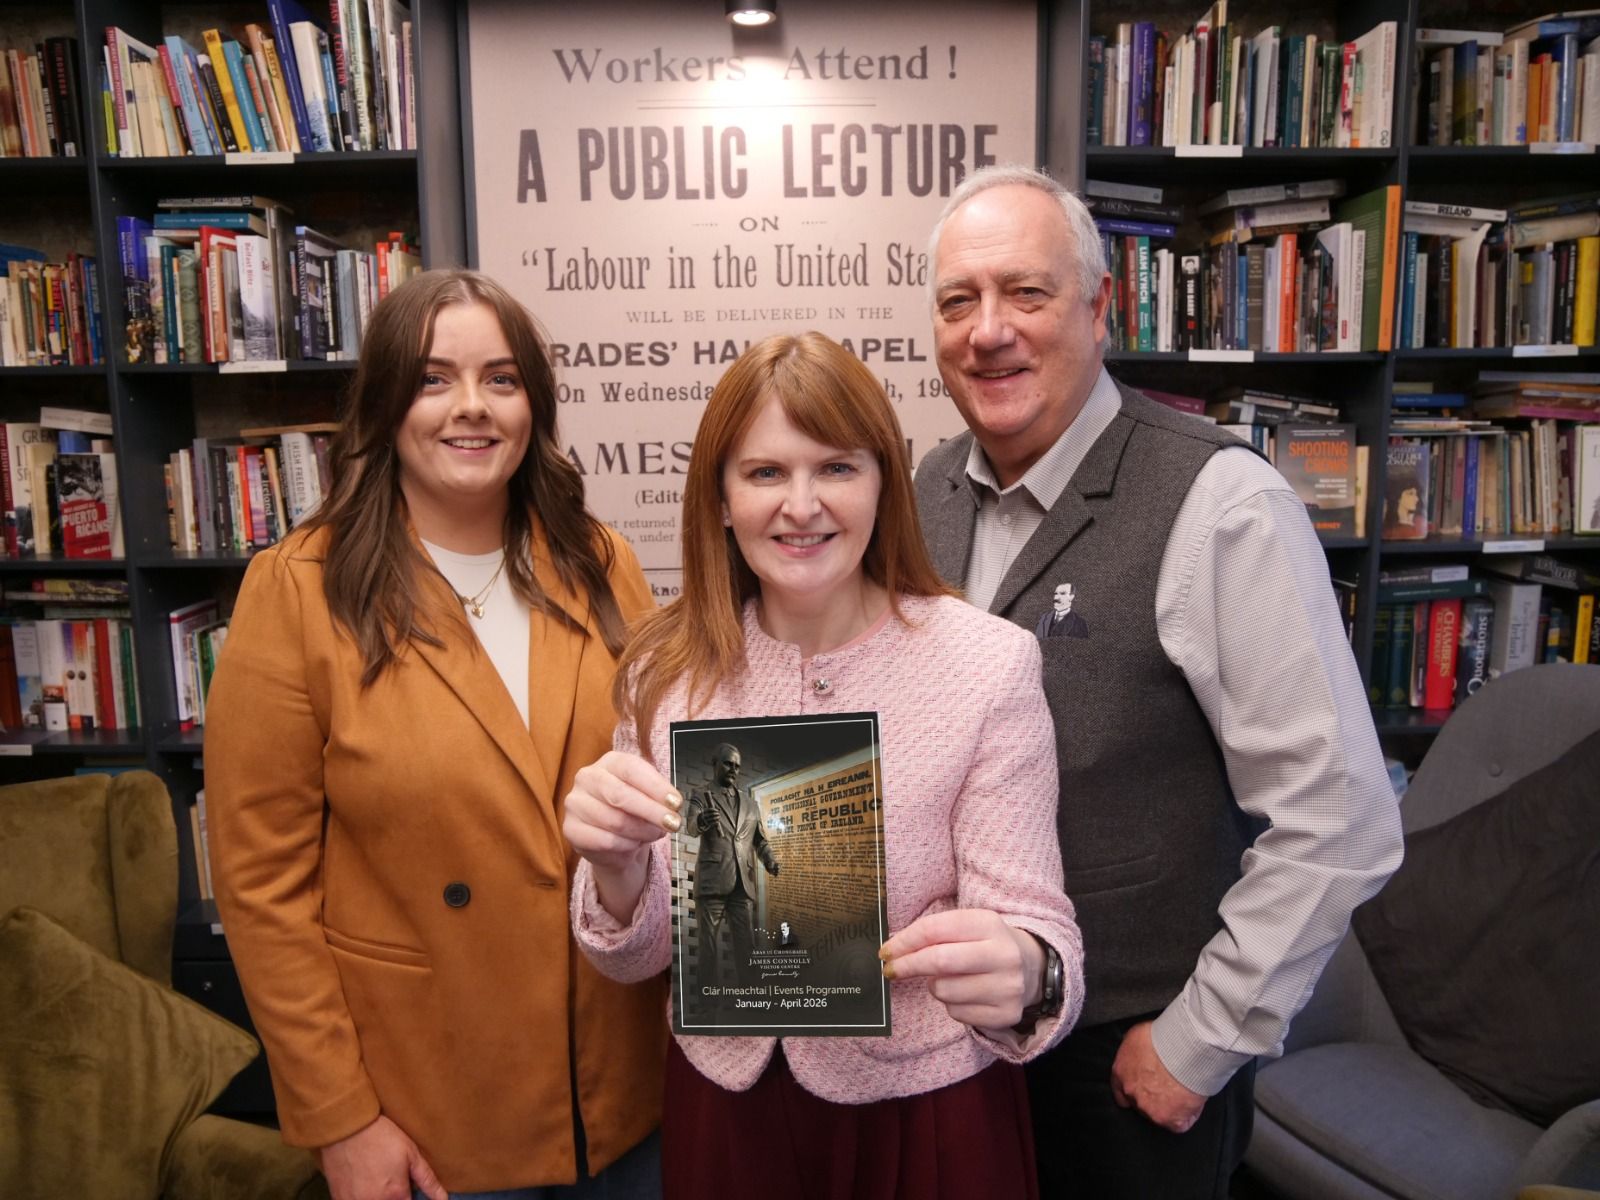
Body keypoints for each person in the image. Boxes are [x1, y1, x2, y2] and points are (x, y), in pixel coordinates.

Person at [915, 165, 1404, 1199]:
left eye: (1026, 293)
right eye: (959, 300)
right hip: (951, 1050)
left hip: (1122, 1063)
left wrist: (1203, 1037)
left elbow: (1340, 817)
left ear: (1100, 307)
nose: (986, 330)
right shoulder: (924, 494)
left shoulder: (1220, 502)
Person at [561, 331, 1084, 1200]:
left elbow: (1038, 926)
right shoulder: (666, 672)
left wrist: (1028, 970)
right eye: (765, 473)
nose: (801, 505)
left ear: (884, 483)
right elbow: (639, 955)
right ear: (721, 500)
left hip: (924, 1117)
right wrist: (614, 868)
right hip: (729, 1111)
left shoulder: (988, 664)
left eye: (837, 468)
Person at [205, 269, 666, 1200]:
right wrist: (341, 1121)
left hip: (623, 1086)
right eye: (432, 379)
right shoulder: (297, 589)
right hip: (427, 1110)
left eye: (501, 378)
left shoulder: (599, 558)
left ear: (532, 401)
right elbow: (261, 888)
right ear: (385, 403)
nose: (472, 408)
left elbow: (657, 774)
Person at [684, 742, 779, 985]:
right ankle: (709, 1002)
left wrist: (769, 860)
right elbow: (691, 827)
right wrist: (703, 819)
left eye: (737, 766)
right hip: (712, 882)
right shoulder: (700, 795)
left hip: (742, 885)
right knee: (710, 946)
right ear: (715, 764)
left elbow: (759, 840)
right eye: (728, 763)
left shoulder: (750, 804)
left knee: (746, 945)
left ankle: (751, 997)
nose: (733, 769)